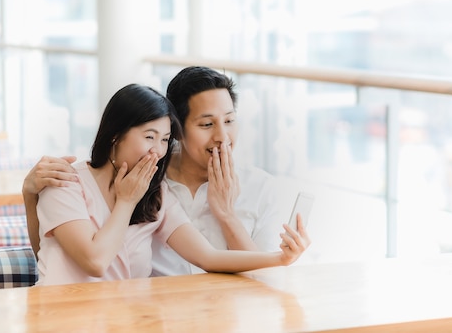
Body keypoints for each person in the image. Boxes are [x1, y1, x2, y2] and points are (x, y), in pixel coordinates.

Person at [23, 66, 295, 275]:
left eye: (164, 139)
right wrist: (127, 201)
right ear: (116, 135)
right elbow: (93, 261)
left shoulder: (155, 192)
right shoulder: (67, 180)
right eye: (149, 136)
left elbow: (208, 257)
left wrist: (280, 258)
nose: (158, 150)